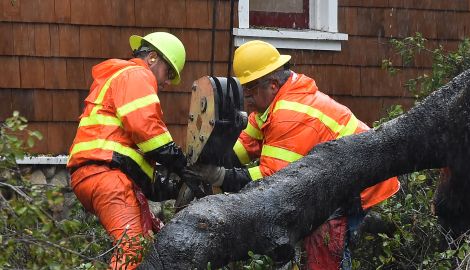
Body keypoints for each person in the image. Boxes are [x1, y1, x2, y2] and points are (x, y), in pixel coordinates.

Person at [184, 40, 400, 269]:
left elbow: (273, 182)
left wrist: (218, 177)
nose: (246, 98)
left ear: (273, 85)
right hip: (336, 173)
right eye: (244, 88)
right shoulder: (273, 103)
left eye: (251, 89)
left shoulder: (289, 114)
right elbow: (243, 146)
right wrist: (209, 158)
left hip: (359, 184)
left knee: (323, 247)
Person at [67, 32, 187, 269]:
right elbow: (146, 130)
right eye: (168, 73)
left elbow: (134, 162)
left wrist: (173, 187)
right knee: (132, 250)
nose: (167, 83)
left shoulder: (122, 79)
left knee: (148, 246)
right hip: (106, 177)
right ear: (152, 58)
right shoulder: (137, 74)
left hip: (100, 175)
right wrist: (182, 164)